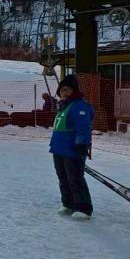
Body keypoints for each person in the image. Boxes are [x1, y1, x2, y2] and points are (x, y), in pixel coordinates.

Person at [50, 75, 94, 219]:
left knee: (75, 178)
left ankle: (83, 208)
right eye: (62, 90)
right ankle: (68, 203)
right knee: (63, 178)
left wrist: (81, 143)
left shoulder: (79, 105)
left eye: (68, 90)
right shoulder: (63, 106)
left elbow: (83, 126)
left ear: (74, 91)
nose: (65, 92)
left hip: (72, 149)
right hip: (59, 148)